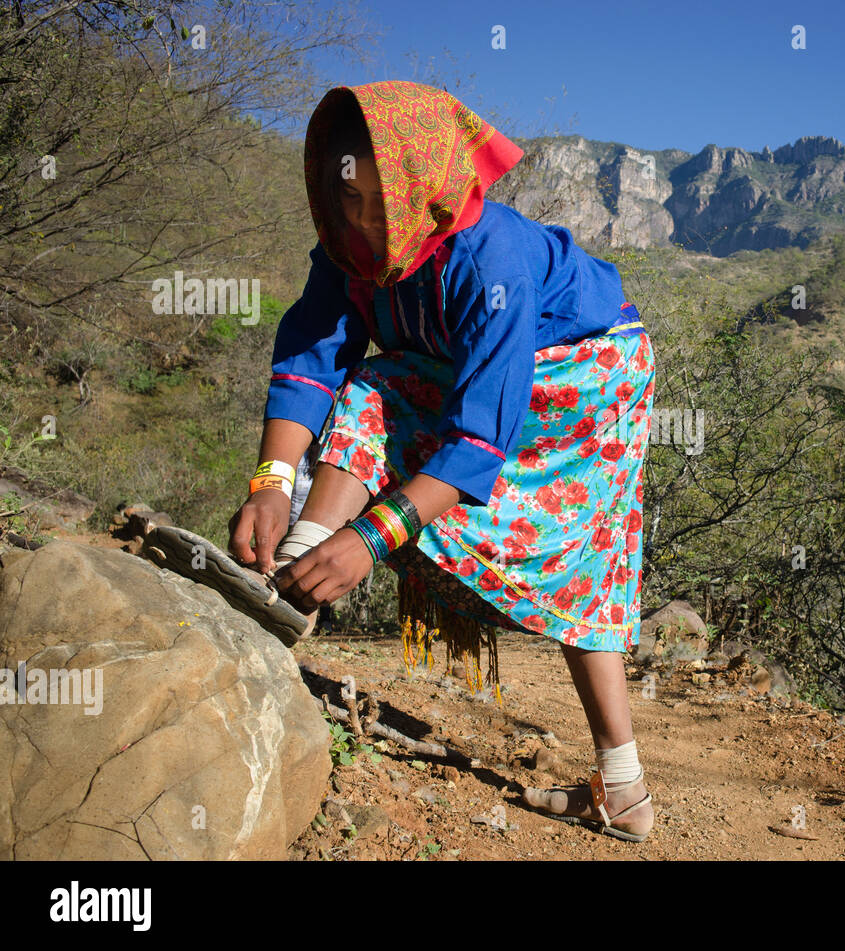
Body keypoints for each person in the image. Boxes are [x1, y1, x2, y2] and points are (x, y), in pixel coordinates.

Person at [226, 80, 655, 842]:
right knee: (369, 385)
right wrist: (271, 482)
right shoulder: (348, 249)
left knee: (590, 561)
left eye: (370, 209)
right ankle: (290, 575)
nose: (355, 227)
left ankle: (621, 785)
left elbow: (480, 434)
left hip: (589, 373)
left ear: (422, 196)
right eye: (343, 204)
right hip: (493, 380)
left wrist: (368, 538)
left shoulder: (493, 260)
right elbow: (311, 358)